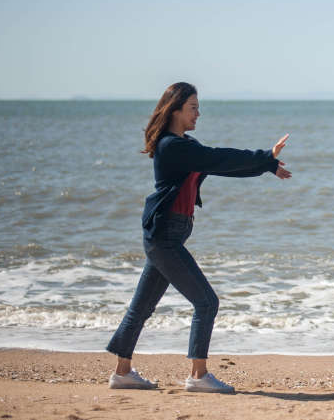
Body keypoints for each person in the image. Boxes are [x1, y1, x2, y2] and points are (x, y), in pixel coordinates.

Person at [106, 82, 292, 393]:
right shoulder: (172, 147)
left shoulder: (184, 145)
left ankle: (122, 372)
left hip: (167, 237)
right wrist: (264, 156)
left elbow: (221, 167)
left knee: (142, 308)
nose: (198, 113)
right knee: (207, 302)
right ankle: (198, 375)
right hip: (164, 237)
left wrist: (266, 166)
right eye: (193, 107)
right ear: (175, 109)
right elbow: (218, 157)